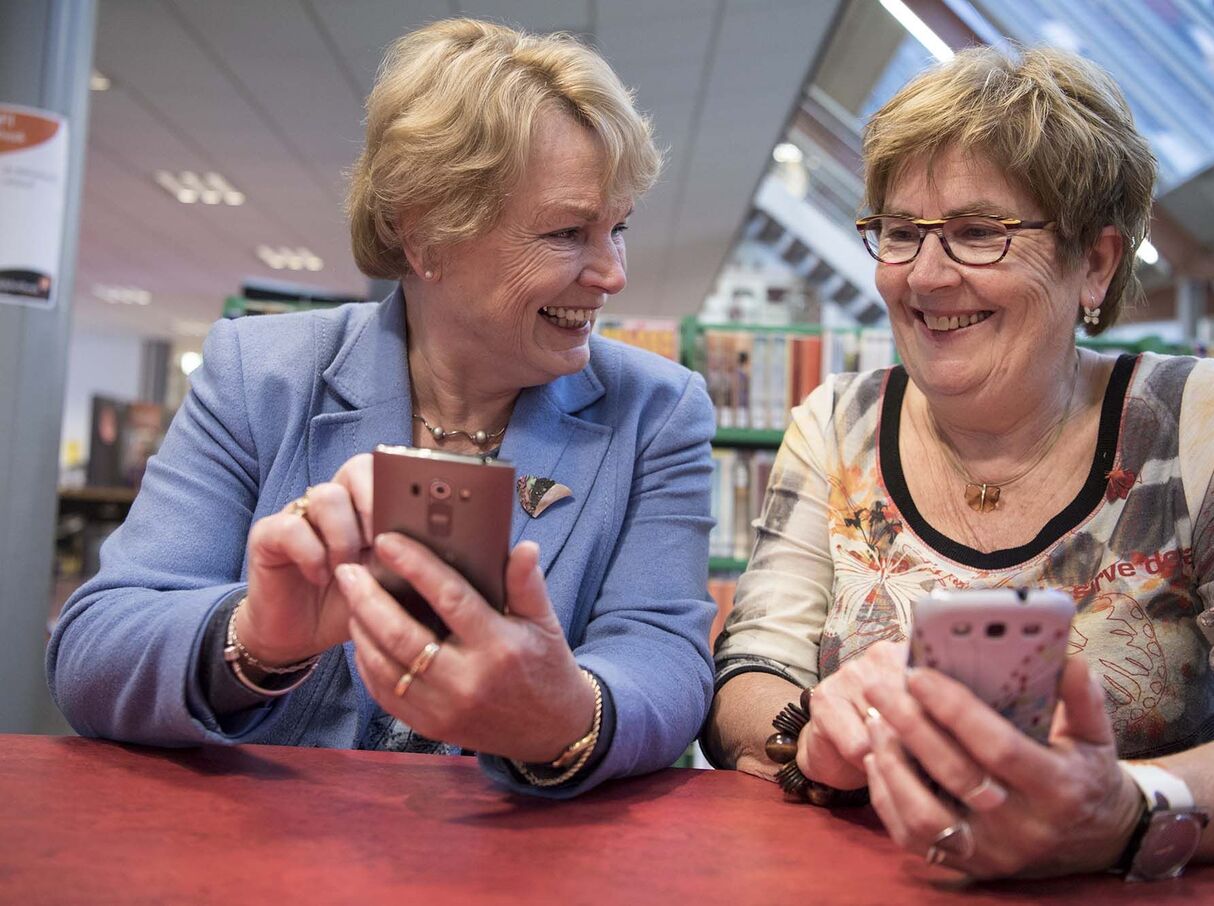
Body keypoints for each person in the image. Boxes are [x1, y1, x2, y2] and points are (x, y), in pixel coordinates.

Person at [704, 46, 1214, 877]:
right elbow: (750, 671)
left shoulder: (1208, 425)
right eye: (901, 233)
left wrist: (1125, 810)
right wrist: (808, 730)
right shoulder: (839, 423)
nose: (926, 276)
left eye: (980, 234)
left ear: (1096, 263)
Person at [48, 19, 716, 798]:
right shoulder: (261, 375)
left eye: (618, 228)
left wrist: (568, 713)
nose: (612, 273)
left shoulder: (656, 412)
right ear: (427, 235)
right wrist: (254, 639)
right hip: (264, 837)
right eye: (569, 232)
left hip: (519, 844)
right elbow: (94, 650)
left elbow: (665, 659)